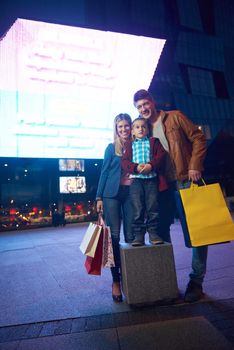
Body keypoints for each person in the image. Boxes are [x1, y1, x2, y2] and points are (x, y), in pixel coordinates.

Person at [133, 89, 207, 303]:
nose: (144, 109)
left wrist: (195, 165)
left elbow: (198, 138)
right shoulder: (143, 130)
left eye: (146, 104)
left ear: (153, 102)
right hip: (162, 185)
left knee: (197, 232)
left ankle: (196, 282)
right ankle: (166, 281)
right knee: (160, 231)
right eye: (139, 107)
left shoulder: (175, 117)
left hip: (186, 179)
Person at [96, 113, 134, 302]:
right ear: (116, 129)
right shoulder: (111, 148)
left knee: (131, 235)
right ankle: (116, 281)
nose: (124, 129)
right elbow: (104, 172)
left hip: (131, 195)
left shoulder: (137, 145)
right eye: (120, 127)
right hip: (111, 195)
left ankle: (131, 277)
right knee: (114, 237)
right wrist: (98, 197)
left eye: (126, 126)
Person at [122, 117, 167, 246]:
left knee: (153, 206)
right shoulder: (130, 145)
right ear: (132, 131)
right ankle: (139, 235)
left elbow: (161, 156)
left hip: (151, 180)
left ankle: (153, 232)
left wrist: (151, 166)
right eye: (137, 127)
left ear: (148, 129)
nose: (140, 129)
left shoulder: (153, 142)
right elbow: (124, 162)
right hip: (136, 181)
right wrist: (135, 167)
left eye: (143, 126)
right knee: (138, 208)